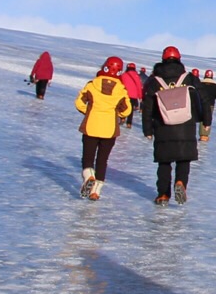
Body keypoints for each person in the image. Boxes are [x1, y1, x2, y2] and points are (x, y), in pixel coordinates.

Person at [143, 46, 208, 205]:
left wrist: (147, 129)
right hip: (186, 125)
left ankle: (163, 195)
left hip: (163, 125)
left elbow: (147, 107)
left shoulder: (154, 80)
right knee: (183, 159)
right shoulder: (189, 78)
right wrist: (206, 121)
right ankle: (180, 182)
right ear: (179, 59)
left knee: (164, 162)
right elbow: (204, 99)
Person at [73, 56, 133, 199]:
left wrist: (87, 112)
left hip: (91, 126)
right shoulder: (121, 89)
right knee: (102, 160)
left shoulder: (92, 84)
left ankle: (89, 177)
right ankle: (96, 191)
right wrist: (116, 113)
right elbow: (127, 110)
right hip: (109, 130)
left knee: (88, 158)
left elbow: (79, 102)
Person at [118, 60, 146, 130]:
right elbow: (139, 87)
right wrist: (140, 96)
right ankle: (129, 123)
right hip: (134, 96)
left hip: (125, 94)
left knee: (123, 107)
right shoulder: (137, 76)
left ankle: (122, 118)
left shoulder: (124, 75)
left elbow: (120, 84)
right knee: (130, 110)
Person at [195, 68, 216, 142]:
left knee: (201, 118)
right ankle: (204, 135)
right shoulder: (215, 86)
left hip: (200, 103)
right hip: (210, 105)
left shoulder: (201, 84)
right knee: (207, 118)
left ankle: (201, 134)